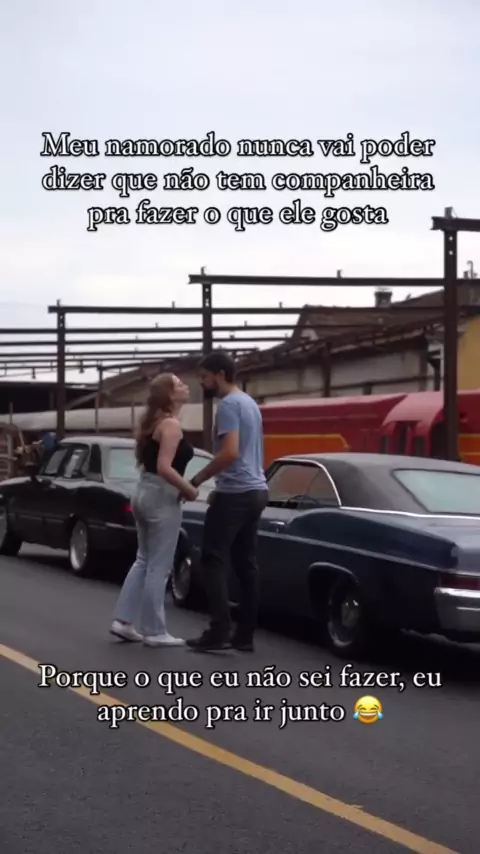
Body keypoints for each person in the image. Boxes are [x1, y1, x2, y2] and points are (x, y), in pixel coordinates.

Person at [186, 351, 268, 652]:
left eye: (204, 377)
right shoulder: (249, 403)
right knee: (246, 564)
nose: (202, 383)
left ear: (220, 374)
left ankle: (218, 630)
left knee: (212, 560)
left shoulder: (229, 405)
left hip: (236, 492)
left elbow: (230, 452)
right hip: (257, 491)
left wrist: (197, 479)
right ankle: (244, 635)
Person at [110, 373, 198, 647]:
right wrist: (189, 490)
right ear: (170, 395)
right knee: (159, 566)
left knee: (144, 560)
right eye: (179, 384)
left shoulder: (154, 423)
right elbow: (164, 467)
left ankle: (123, 621)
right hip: (162, 495)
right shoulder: (171, 425)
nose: (185, 386)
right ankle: (154, 630)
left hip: (144, 491)